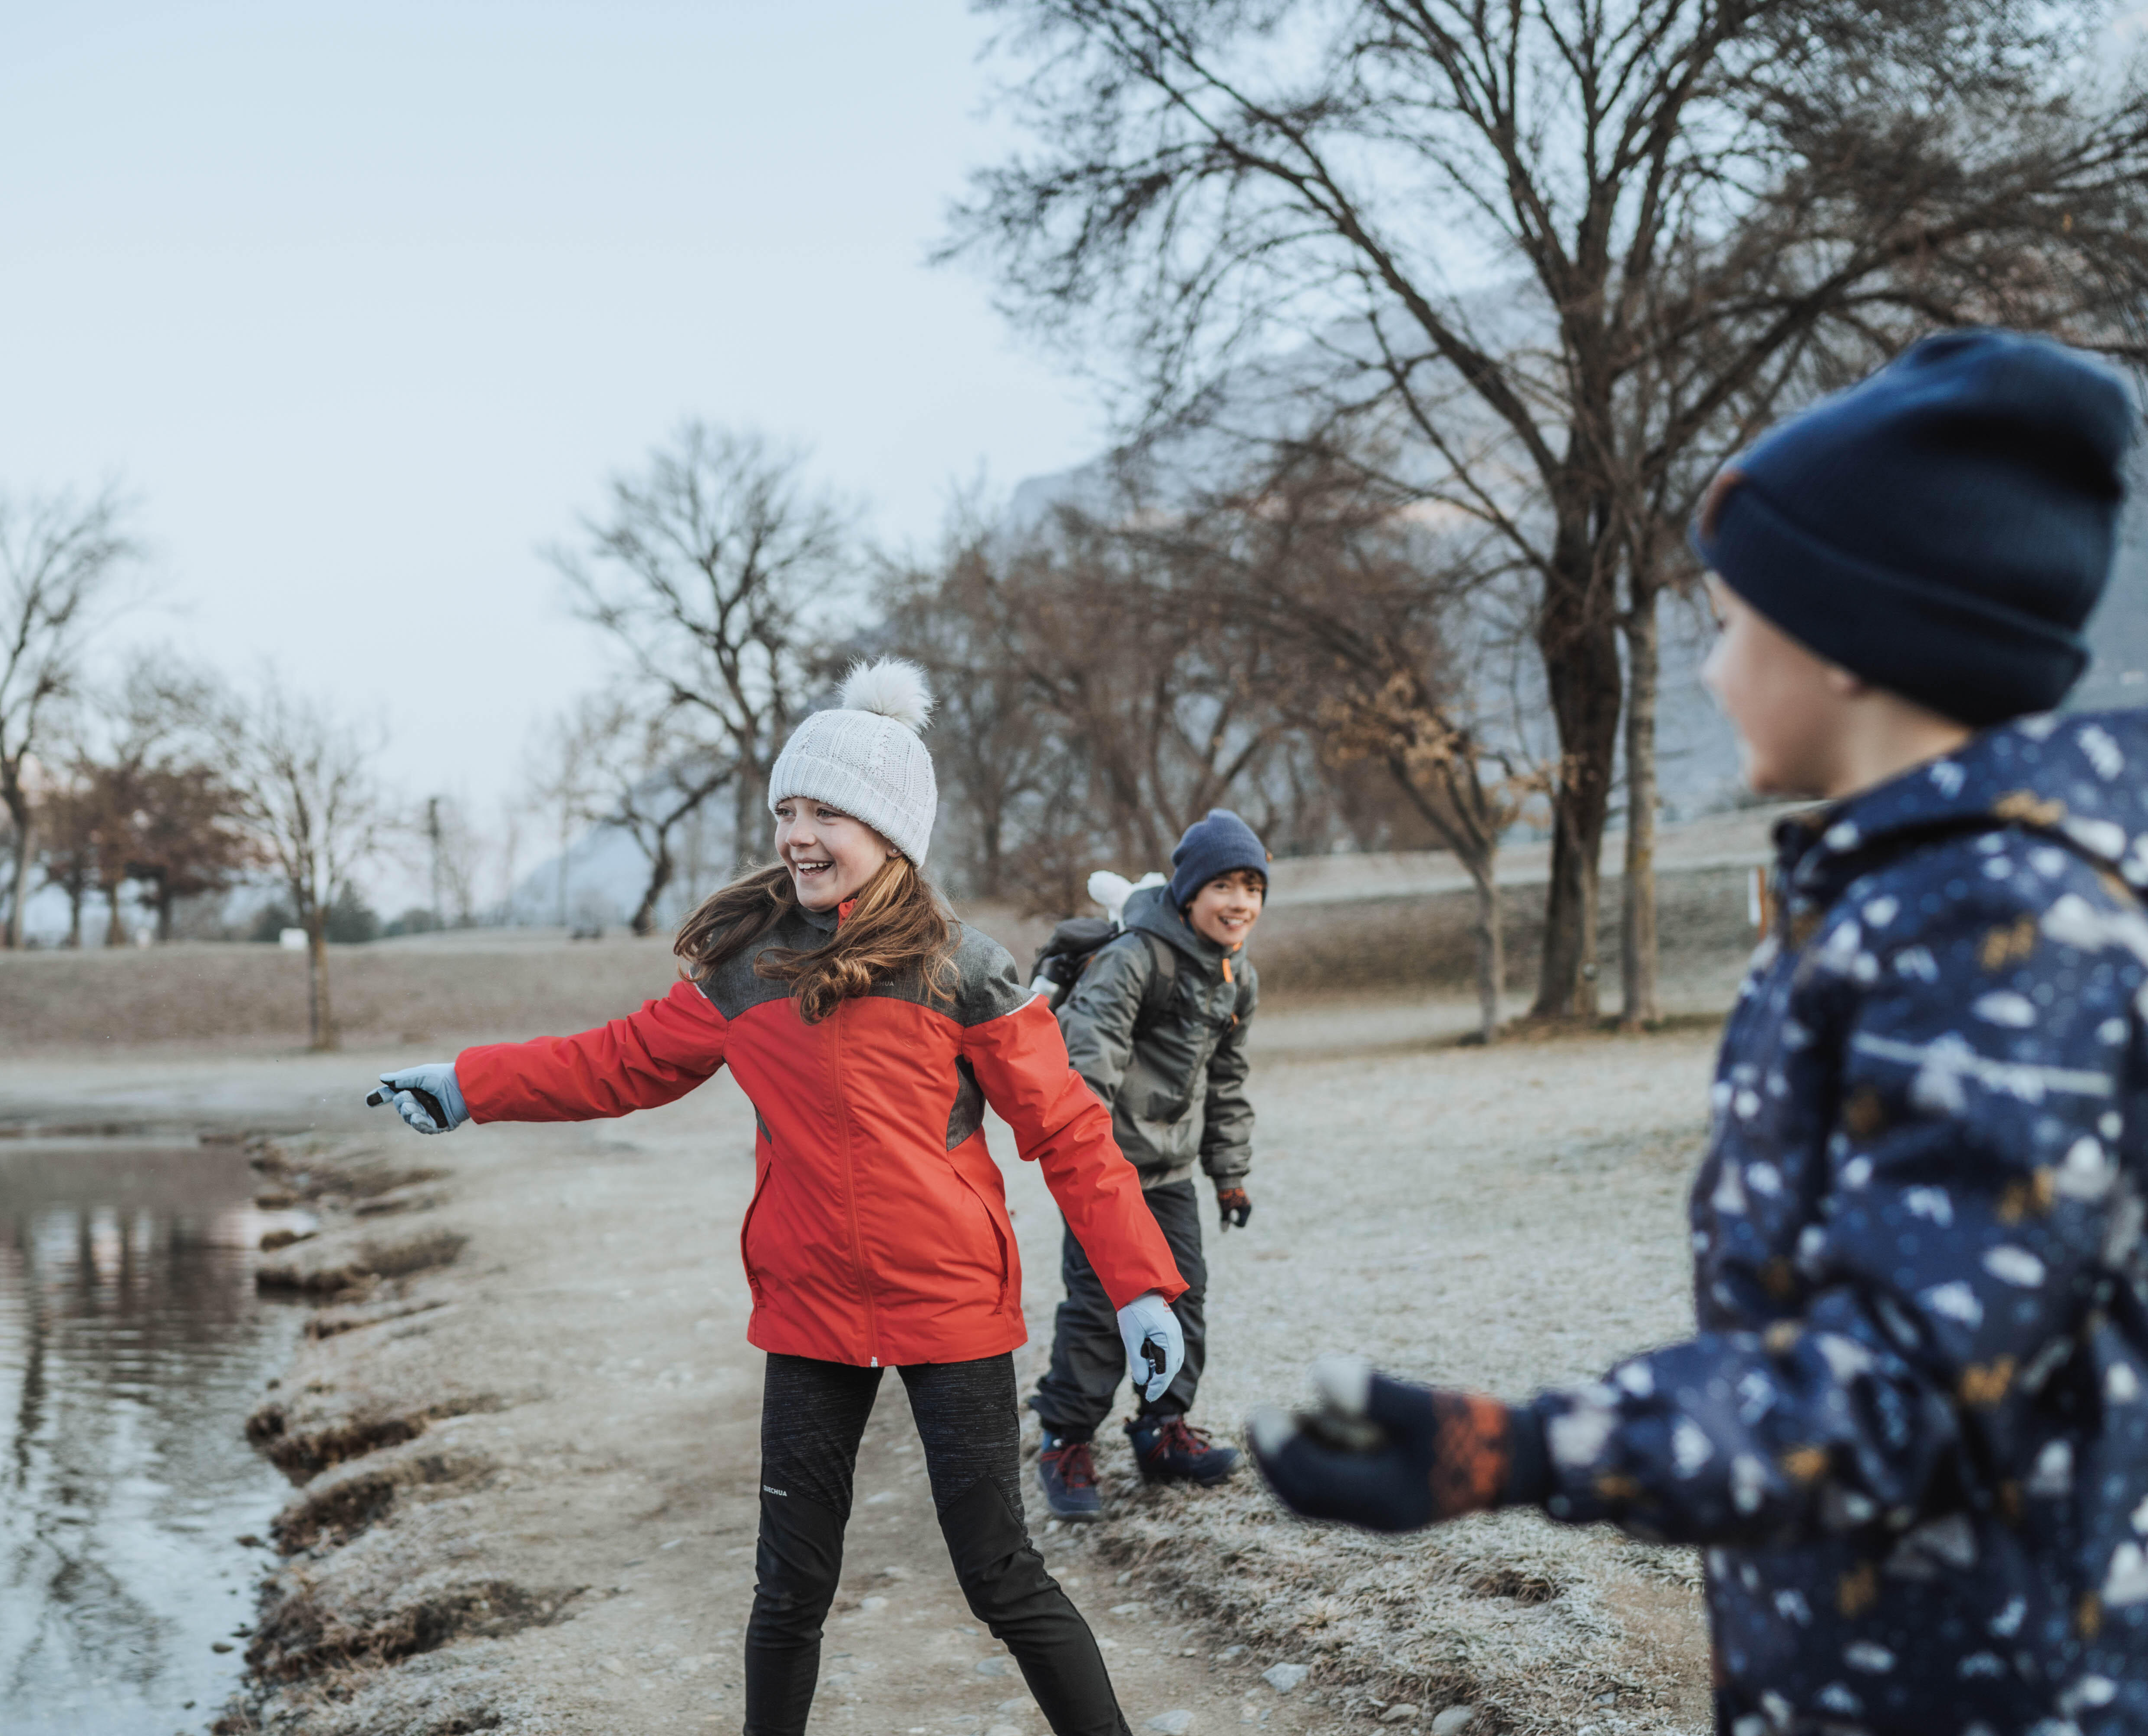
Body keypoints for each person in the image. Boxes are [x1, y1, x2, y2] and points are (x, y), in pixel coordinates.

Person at [1247, 329, 2148, 1736]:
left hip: (1982, 1690)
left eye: (1732, 624)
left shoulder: (1997, 930)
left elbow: (1897, 1383)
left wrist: (1518, 1450)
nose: (1716, 671)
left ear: (1849, 646)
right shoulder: (1895, 901)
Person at [375, 658, 1188, 1736]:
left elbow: (1072, 1135)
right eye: (786, 810)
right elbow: (614, 1061)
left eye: (827, 812)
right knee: (787, 1590)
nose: (798, 833)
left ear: (890, 829)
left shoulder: (965, 970)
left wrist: (1140, 1288)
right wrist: (468, 1085)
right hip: (809, 1311)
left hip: (950, 1310)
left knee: (1000, 1573)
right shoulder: (746, 969)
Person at [1032, 810, 1268, 1519]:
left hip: (1167, 1174)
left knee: (1183, 1297)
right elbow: (1087, 1063)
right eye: (1224, 886)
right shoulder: (1135, 957)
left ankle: (1161, 1430)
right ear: (1189, 893)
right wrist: (1088, 1174)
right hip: (1105, 1175)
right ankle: (1065, 1441)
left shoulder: (1236, 975)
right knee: (1101, 1311)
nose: (1240, 903)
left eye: (1252, 887)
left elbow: (1225, 1081)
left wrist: (1229, 1173)